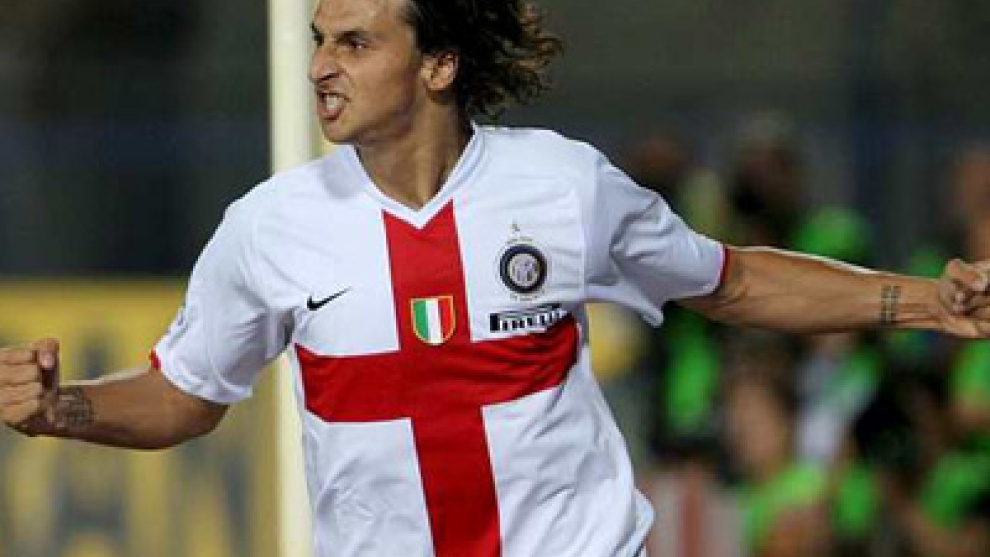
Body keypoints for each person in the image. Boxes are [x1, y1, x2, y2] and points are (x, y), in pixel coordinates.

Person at [2, 1, 990, 556]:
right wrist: (61, 409)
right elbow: (186, 392)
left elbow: (728, 281)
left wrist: (923, 302)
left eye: (354, 42)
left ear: (438, 64)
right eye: (318, 42)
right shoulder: (269, 229)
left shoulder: (563, 186)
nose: (321, 68)